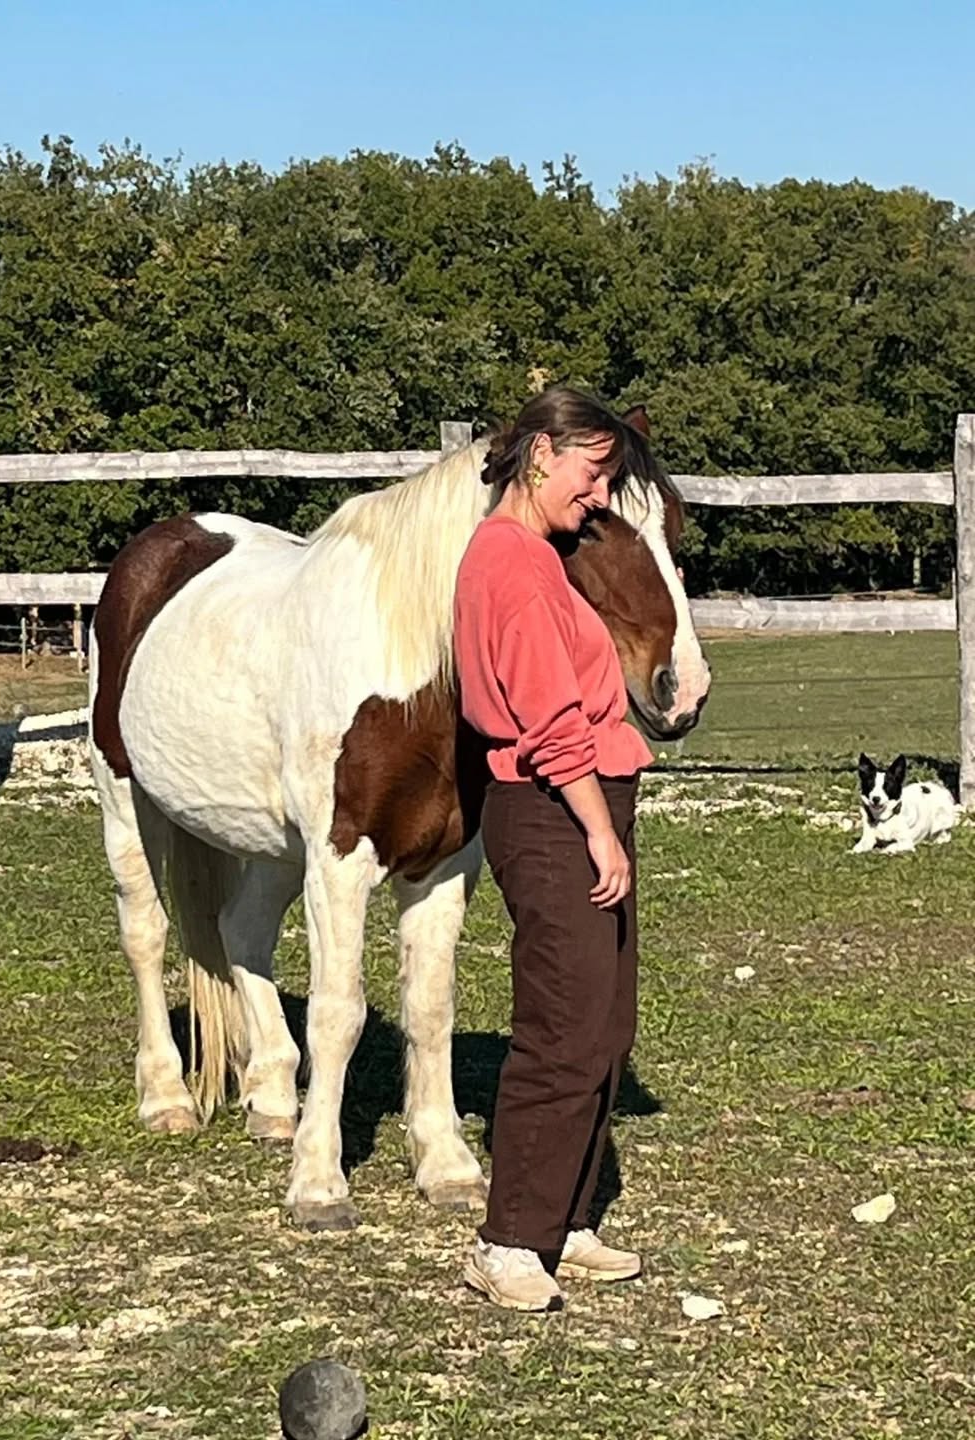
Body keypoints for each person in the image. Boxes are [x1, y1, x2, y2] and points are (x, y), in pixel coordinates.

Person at [453, 385, 655, 1313]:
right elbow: (547, 717)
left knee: (605, 1025)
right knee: (562, 1026)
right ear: (541, 454)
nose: (600, 495)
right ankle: (507, 1242)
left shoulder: (541, 557)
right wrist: (599, 829)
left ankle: (564, 1222)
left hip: (578, 800)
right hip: (551, 810)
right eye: (594, 472)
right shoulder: (510, 563)